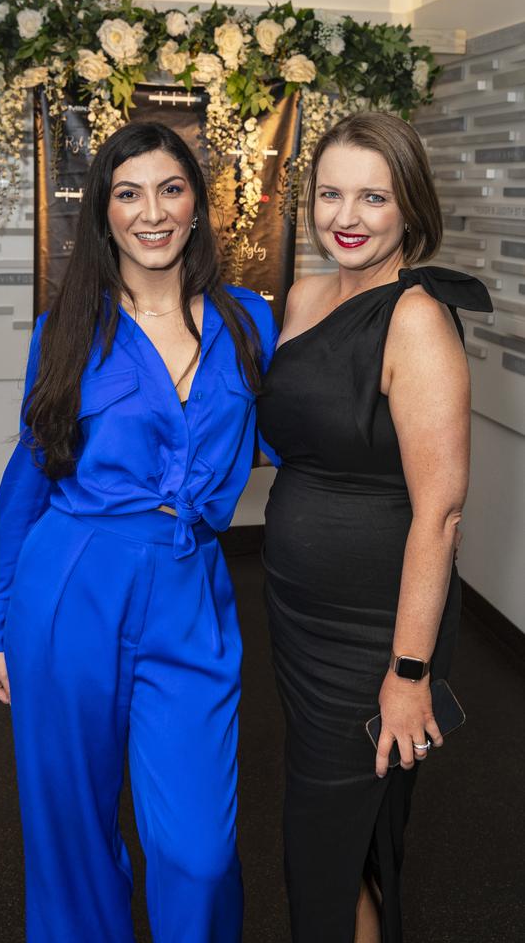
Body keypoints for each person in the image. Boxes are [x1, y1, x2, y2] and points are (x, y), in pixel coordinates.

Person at [0, 121, 277, 943]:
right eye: (128, 193)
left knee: (200, 851)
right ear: (104, 212)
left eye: (171, 190)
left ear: (197, 208)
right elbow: (28, 476)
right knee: (70, 837)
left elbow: (306, 432)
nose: (152, 213)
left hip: (191, 596)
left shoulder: (250, 324)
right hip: (68, 584)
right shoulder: (67, 328)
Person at [257, 112, 492, 942]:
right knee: (335, 835)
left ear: (408, 209)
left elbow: (442, 513)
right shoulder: (306, 293)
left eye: (372, 197)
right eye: (329, 194)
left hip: (377, 632)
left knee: (325, 839)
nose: (345, 216)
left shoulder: (417, 320)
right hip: (298, 615)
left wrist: (409, 672)